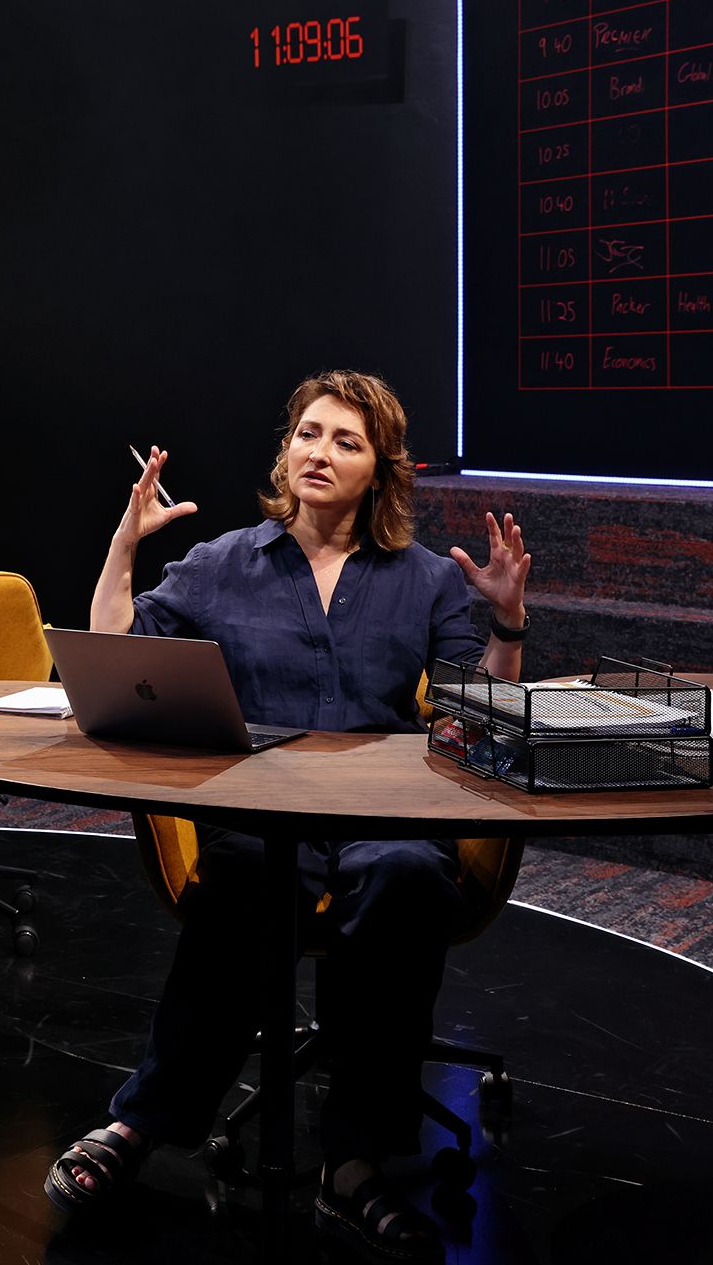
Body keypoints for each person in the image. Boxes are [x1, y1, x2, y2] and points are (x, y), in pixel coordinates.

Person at [44, 370, 531, 1265]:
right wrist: (123, 548)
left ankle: (353, 1163)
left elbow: (481, 721)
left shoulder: (426, 579)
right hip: (262, 812)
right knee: (247, 872)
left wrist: (506, 625)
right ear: (286, 449)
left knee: (404, 874)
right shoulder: (224, 562)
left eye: (348, 441)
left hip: (382, 813)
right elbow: (116, 656)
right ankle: (142, 1123)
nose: (321, 452)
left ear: (381, 470)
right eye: (309, 433)